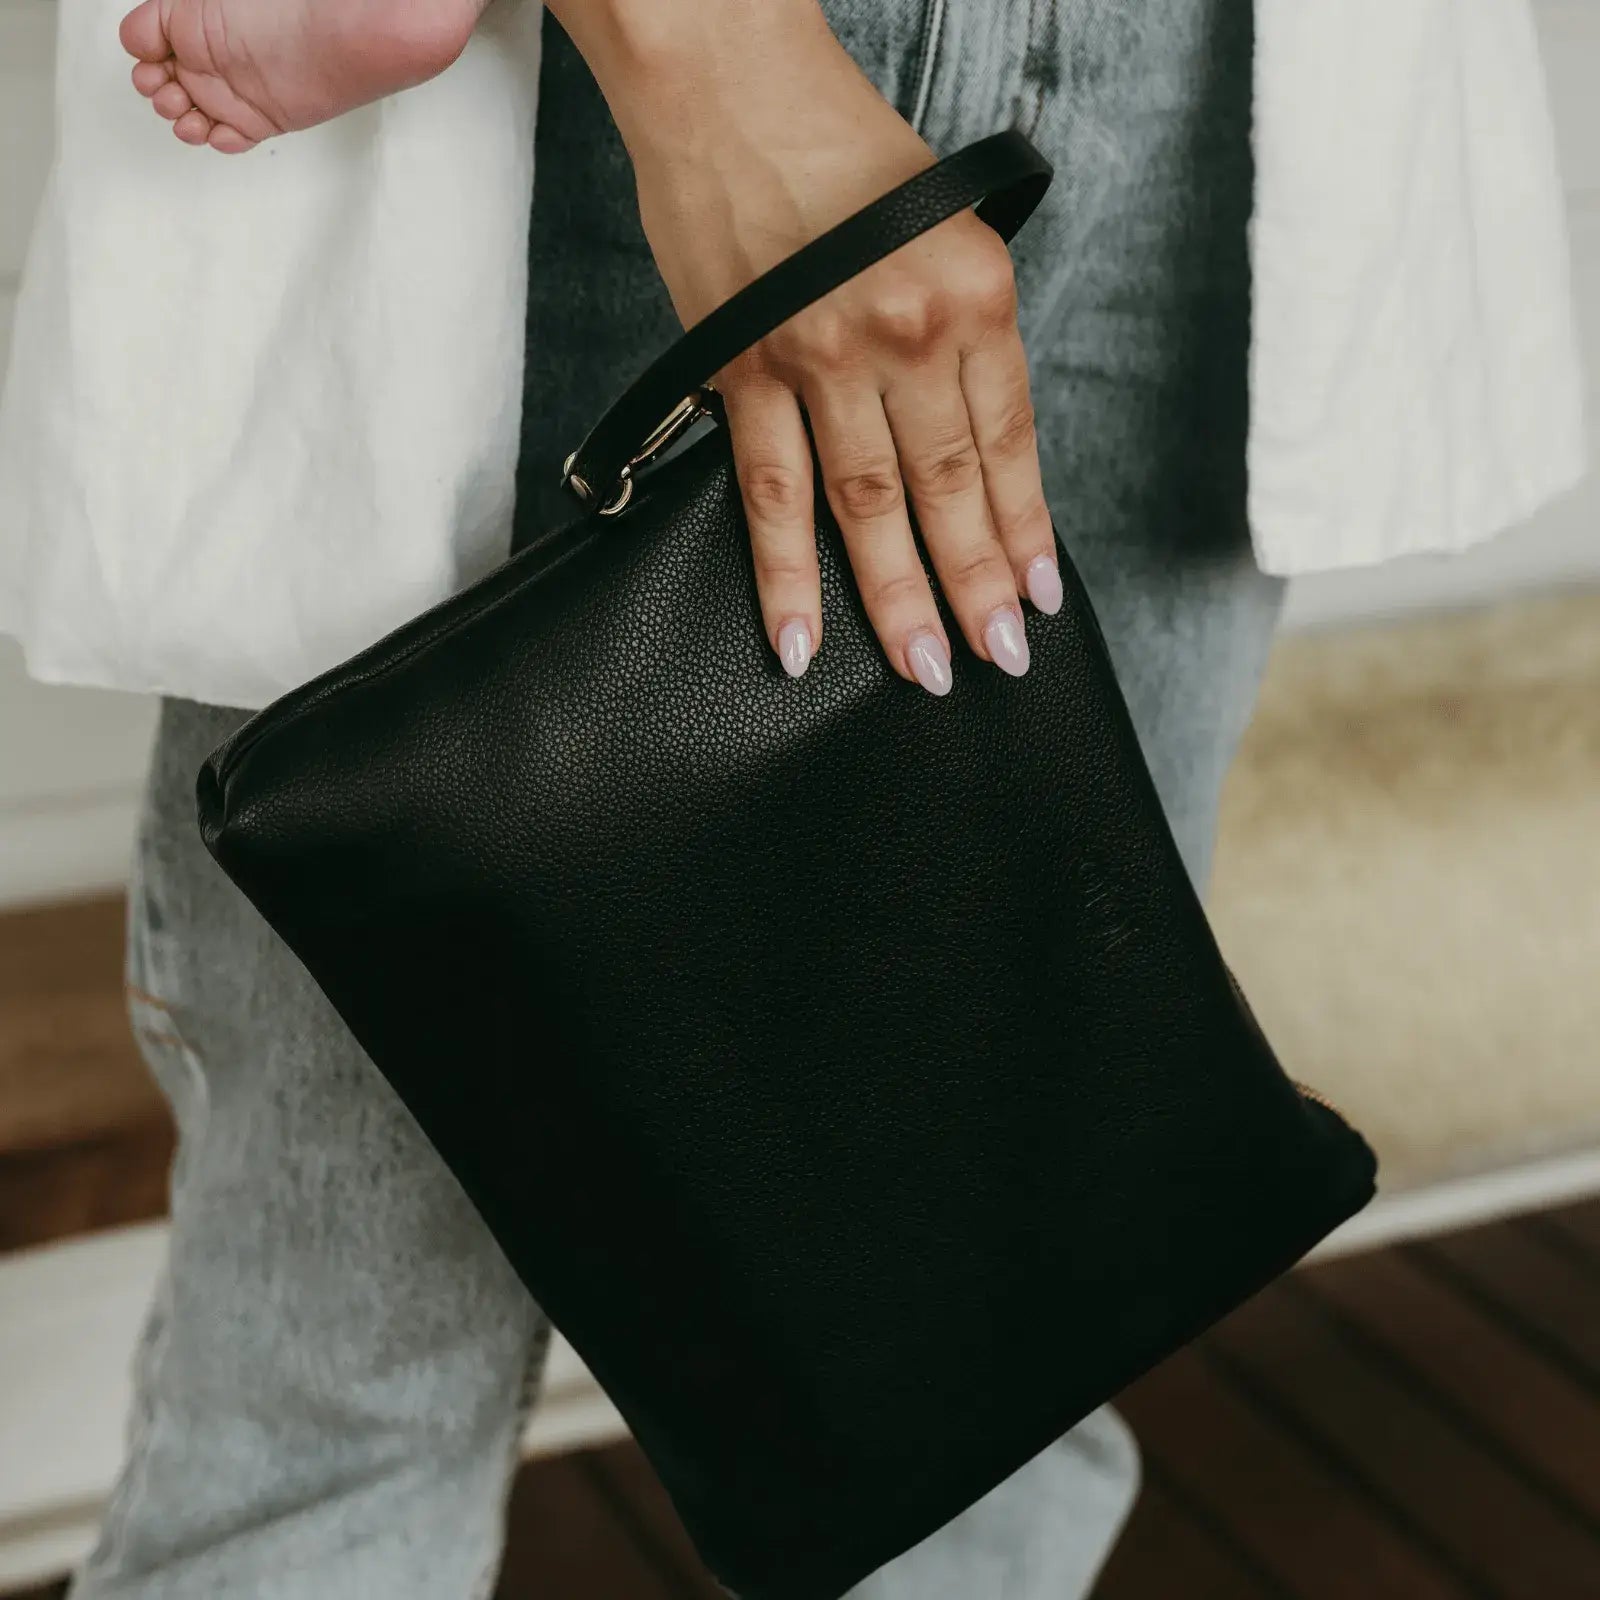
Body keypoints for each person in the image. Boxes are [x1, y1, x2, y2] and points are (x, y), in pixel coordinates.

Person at [4, 0, 1571, 1595]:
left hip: (1199, 65)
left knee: (1014, 1336)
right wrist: (707, 59)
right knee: (340, 1400)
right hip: (605, 75)